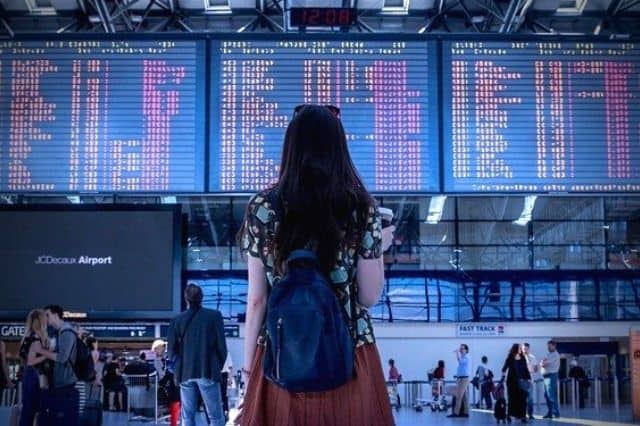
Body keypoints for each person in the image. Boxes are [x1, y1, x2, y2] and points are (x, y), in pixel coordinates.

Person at [237, 104, 395, 425]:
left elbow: (257, 301)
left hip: (282, 355)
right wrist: (378, 250)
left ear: (291, 147)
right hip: (349, 353)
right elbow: (368, 296)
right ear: (339, 148)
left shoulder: (263, 207)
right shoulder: (361, 207)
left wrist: (249, 368)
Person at [168, 283, 227, 426]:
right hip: (208, 370)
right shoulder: (214, 316)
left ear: (186, 298)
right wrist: (216, 366)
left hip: (185, 373)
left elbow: (171, 351)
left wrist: (178, 366)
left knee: (187, 416)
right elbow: (222, 348)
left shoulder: (177, 320)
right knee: (215, 416)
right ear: (202, 297)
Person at [39, 304, 79, 426]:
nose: (45, 318)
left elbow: (62, 358)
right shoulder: (58, 333)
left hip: (65, 386)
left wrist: (41, 351)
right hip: (59, 385)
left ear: (56, 315)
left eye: (47, 315)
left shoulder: (67, 332)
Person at [18, 309, 51, 426]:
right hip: (35, 376)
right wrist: (48, 354)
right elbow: (31, 362)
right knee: (34, 411)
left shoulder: (26, 337)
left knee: (27, 410)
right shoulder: (36, 339)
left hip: (28, 376)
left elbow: (24, 360)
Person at [501, 343, 531, 423]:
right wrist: (502, 378)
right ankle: (509, 415)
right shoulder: (510, 357)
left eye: (521, 348)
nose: (521, 349)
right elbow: (504, 368)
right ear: (515, 349)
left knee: (522, 399)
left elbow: (526, 369)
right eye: (519, 348)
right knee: (512, 399)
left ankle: (522, 416)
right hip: (512, 382)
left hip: (522, 381)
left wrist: (528, 378)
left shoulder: (522, 357)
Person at [449, 344, 471, 418]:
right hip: (461, 378)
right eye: (460, 349)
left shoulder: (467, 357)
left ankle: (456, 413)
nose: (461, 350)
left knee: (458, 396)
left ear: (466, 350)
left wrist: (457, 354)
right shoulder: (463, 357)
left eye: (462, 349)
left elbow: (460, 362)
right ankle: (466, 412)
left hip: (464, 379)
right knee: (464, 396)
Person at [541, 340, 561, 419]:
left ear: (554, 346)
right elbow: (542, 362)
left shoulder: (555, 355)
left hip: (551, 376)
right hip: (545, 376)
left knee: (551, 395)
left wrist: (543, 362)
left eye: (549, 346)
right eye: (547, 346)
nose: (548, 348)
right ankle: (550, 413)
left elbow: (544, 363)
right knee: (546, 395)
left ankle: (556, 413)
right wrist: (543, 362)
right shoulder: (548, 354)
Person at [522, 343, 541, 420]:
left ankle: (530, 414)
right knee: (521, 398)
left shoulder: (533, 357)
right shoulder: (518, 358)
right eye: (524, 349)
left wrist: (531, 369)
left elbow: (536, 369)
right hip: (521, 380)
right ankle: (522, 414)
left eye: (526, 349)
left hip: (530, 380)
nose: (525, 350)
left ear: (528, 349)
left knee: (530, 398)